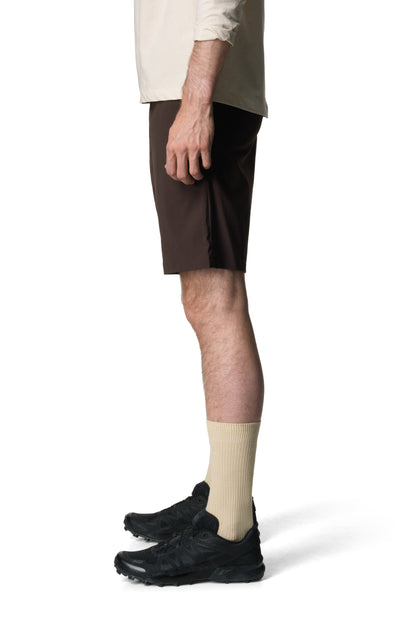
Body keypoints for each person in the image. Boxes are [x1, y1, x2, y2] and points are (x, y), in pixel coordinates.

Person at [114, 0, 268, 586]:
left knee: (215, 300)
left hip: (200, 88)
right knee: (206, 298)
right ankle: (220, 494)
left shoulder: (199, 95)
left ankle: (229, 531)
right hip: (192, 86)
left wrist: (197, 98)